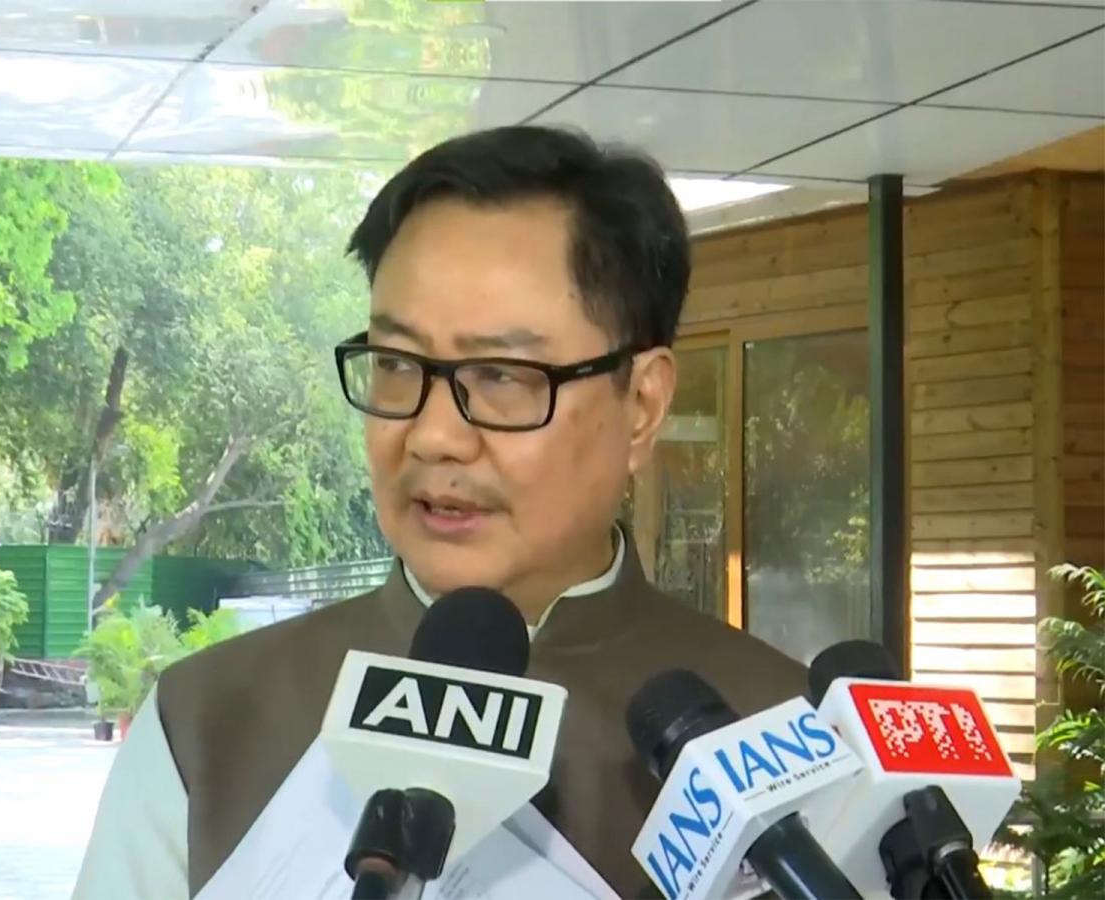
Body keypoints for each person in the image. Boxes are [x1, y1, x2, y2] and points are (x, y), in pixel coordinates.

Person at [73, 125, 807, 899]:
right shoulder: (208, 725)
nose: (432, 435)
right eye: (396, 363)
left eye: (503, 374)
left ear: (644, 406)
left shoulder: (789, 733)